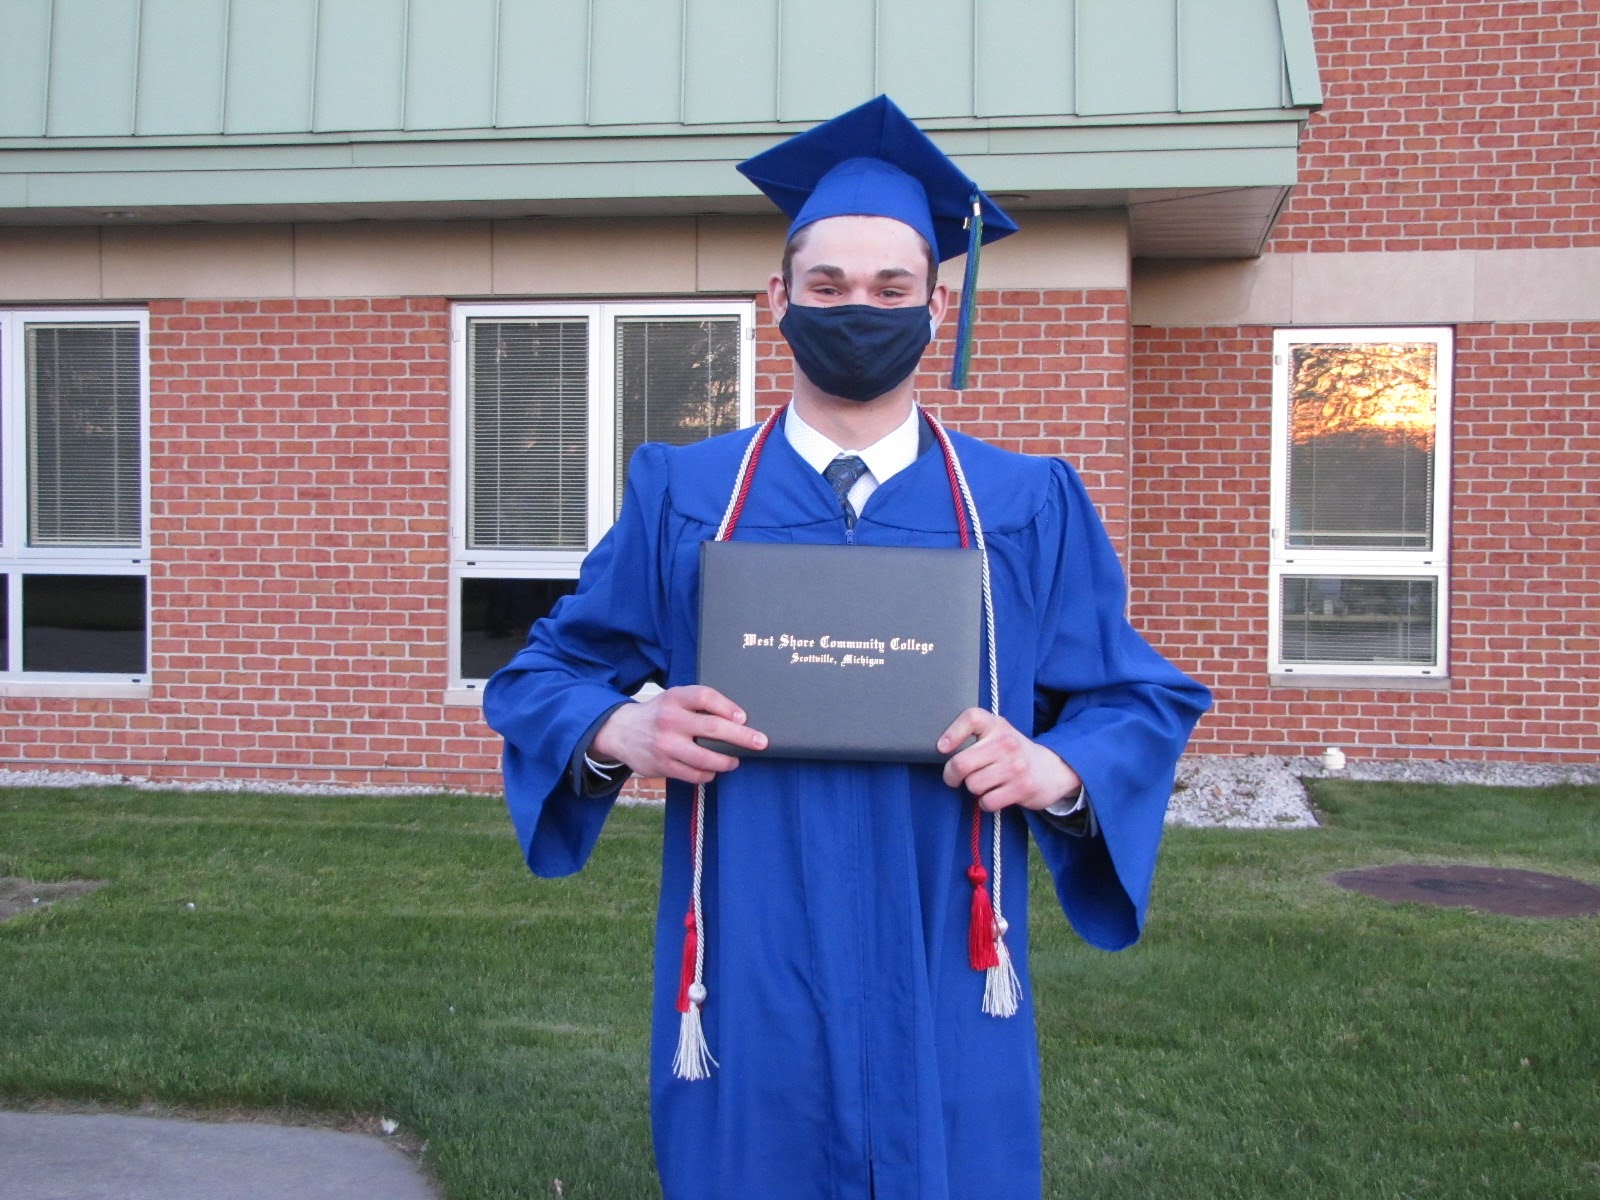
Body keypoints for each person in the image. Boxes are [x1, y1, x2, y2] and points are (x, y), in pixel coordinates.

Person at [484, 95, 1211, 1200]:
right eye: (825, 287)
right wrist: (620, 725)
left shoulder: (1022, 504)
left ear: (938, 303)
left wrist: (1056, 767)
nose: (855, 309)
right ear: (778, 298)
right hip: (747, 957)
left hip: (947, 949)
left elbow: (1134, 698)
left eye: (888, 288)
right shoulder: (689, 495)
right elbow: (541, 675)